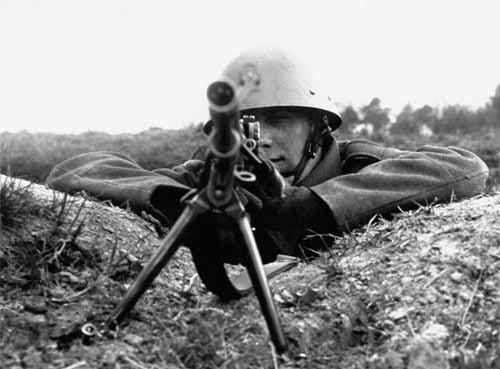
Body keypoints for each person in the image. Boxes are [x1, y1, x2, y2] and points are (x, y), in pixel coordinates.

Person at [47, 49, 489, 269]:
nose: (261, 140)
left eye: (278, 120)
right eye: (244, 124)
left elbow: (465, 167)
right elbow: (74, 170)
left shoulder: (355, 162)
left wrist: (309, 206)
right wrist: (178, 205)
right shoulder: (211, 171)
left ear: (318, 128)